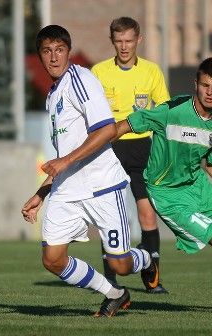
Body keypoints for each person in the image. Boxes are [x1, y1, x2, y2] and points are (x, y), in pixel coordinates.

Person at [21, 24, 158, 318]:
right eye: (47, 51)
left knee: (120, 264)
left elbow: (107, 129)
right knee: (52, 259)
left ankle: (147, 257)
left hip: (102, 186)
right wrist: (42, 192)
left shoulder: (81, 79)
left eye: (59, 50)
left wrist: (66, 162)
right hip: (67, 190)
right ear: (40, 56)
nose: (54, 57)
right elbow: (63, 155)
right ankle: (114, 293)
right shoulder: (53, 94)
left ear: (69, 53)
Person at [91, 17, 170, 293]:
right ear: (112, 41)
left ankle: (153, 279)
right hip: (108, 149)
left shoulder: (152, 71)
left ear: (139, 40)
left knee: (147, 214)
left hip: (142, 149)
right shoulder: (99, 72)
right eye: (119, 41)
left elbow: (164, 111)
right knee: (108, 214)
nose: (124, 47)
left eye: (129, 41)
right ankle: (110, 278)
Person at [115, 57, 212, 256]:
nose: (210, 92)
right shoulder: (172, 111)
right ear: (196, 85)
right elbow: (123, 126)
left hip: (198, 186)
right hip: (167, 193)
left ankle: (145, 258)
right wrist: (91, 147)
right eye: (205, 85)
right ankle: (143, 258)